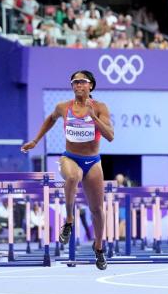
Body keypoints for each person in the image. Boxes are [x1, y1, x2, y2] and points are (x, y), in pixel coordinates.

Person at [22, 70, 114, 270]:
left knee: (97, 210)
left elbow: (110, 136)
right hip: (70, 157)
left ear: (91, 85)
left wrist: (94, 118)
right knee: (72, 176)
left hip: (93, 161)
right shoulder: (64, 107)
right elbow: (50, 119)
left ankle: (98, 247)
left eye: (82, 82)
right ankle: (70, 220)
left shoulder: (99, 107)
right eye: (75, 82)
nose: (78, 85)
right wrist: (36, 140)